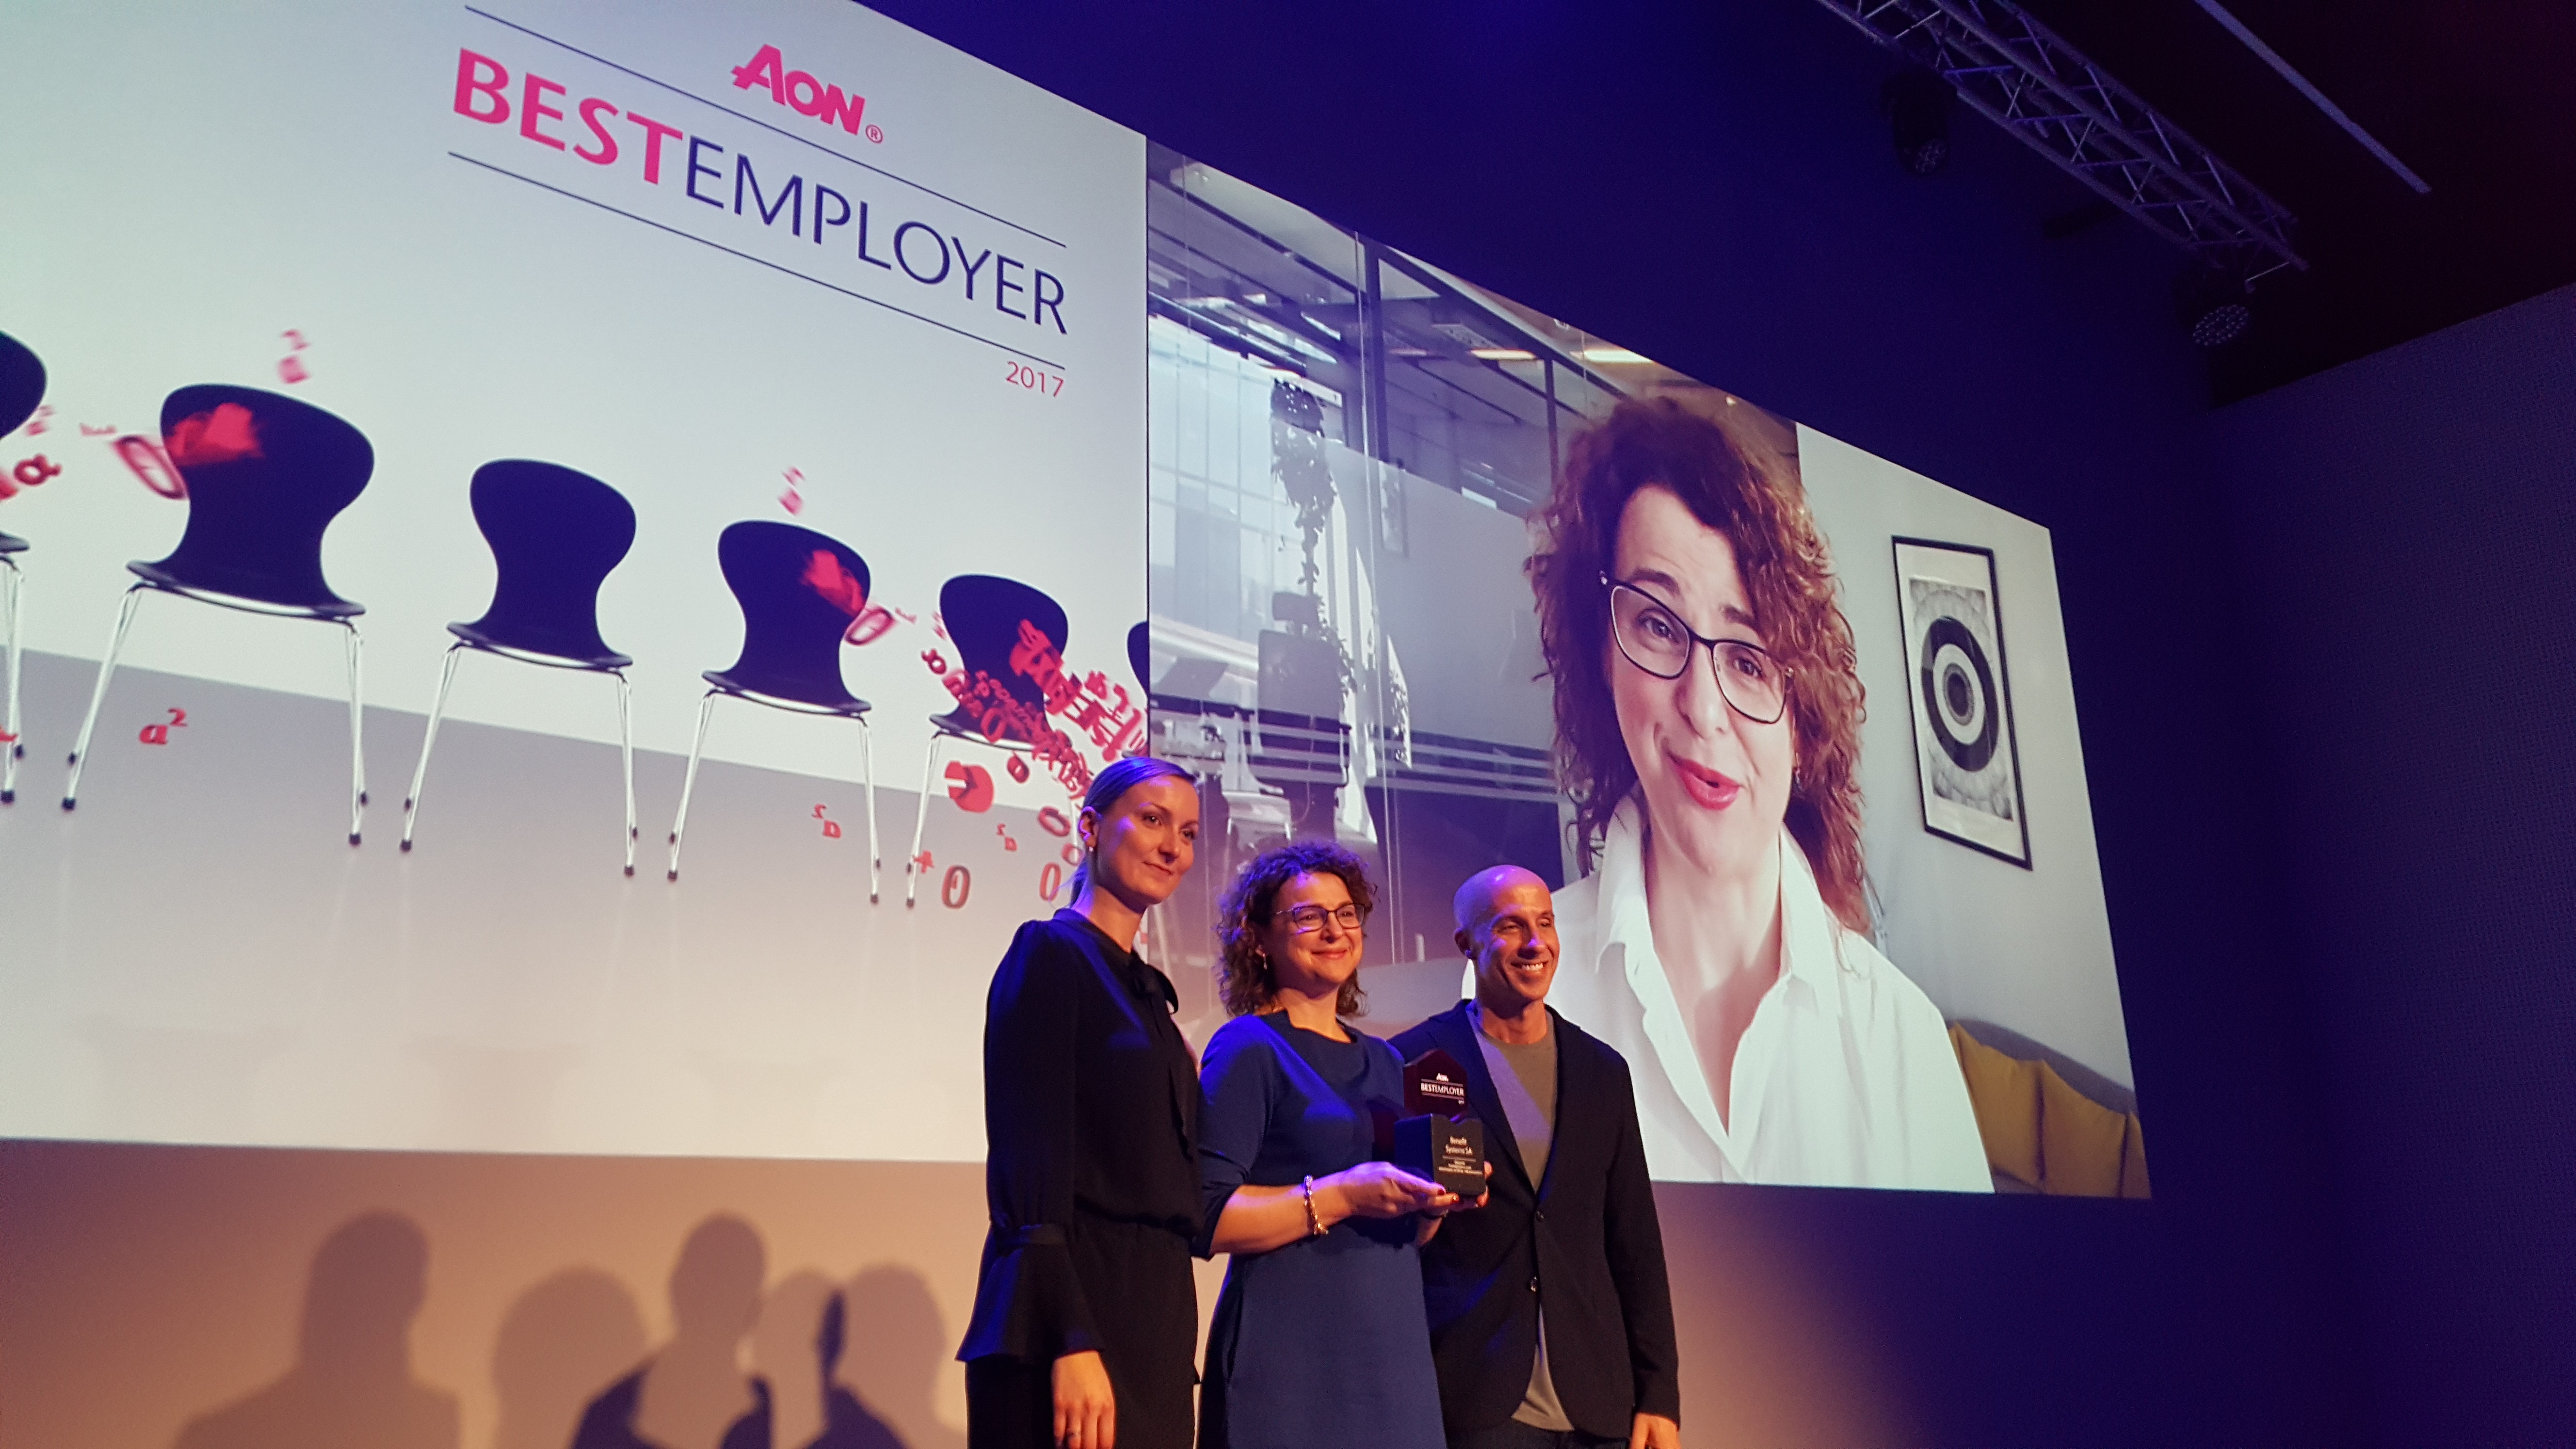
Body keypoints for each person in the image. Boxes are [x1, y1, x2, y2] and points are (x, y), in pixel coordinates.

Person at [1524, 397, 1989, 1191]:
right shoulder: (1520, 994)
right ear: (1603, 651)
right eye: (1658, 625)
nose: (1703, 709)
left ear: (1802, 724)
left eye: (1748, 660)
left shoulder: (1899, 1042)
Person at [958, 757, 1208, 1449]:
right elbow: (1029, 1161)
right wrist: (1068, 1338)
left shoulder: (1150, 995)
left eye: (1188, 833)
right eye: (1153, 820)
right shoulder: (1050, 953)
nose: (1172, 848)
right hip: (1072, 1315)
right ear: (1091, 828)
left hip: (1155, 1320)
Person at [1194, 840, 1467, 1449]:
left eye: (1346, 914)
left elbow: (1405, 1232)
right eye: (1308, 916)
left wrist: (1433, 1204)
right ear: (1257, 939)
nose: (1334, 930)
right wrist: (1342, 1195)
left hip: (1391, 1359)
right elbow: (1207, 1217)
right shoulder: (1248, 1047)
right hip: (1289, 1363)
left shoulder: (1388, 1061)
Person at [1396, 867, 1681, 1449]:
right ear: (1466, 944)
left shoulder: (1601, 1071)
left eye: (1545, 923)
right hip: (1475, 1399)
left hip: (1596, 1404)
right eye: (1510, 926)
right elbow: (1390, 1237)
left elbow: (1634, 1242)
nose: (1535, 943)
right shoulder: (1414, 1059)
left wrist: (1658, 1393)